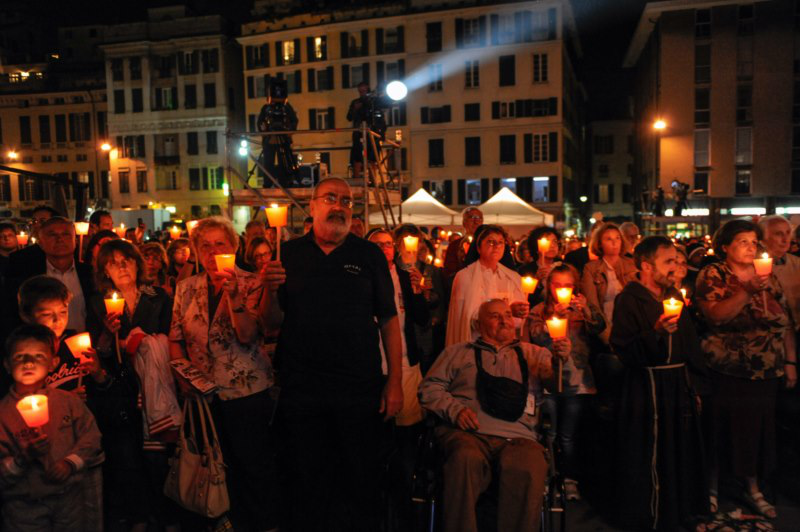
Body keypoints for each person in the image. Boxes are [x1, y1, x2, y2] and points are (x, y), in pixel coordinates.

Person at [260, 177, 402, 532]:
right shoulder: (288, 254)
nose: (339, 206)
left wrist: (395, 382)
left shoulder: (368, 255)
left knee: (358, 480)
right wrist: (268, 289)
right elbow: (271, 324)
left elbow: (388, 320)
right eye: (331, 198)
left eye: (347, 201)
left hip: (358, 388)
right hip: (303, 390)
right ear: (313, 206)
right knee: (307, 481)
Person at [419, 299, 572, 532]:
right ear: (479, 325)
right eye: (495, 316)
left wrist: (560, 359)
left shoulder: (534, 354)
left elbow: (556, 382)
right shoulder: (458, 353)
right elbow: (429, 389)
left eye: (508, 315)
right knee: (464, 458)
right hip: (468, 434)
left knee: (528, 465)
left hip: (519, 438)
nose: (504, 320)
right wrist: (455, 410)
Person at [170, 216, 278, 531]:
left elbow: (247, 336)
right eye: (205, 245)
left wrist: (233, 296)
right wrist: (183, 378)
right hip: (202, 396)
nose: (212, 251)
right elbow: (175, 339)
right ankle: (222, 521)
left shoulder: (252, 283)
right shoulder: (185, 287)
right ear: (196, 250)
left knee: (252, 465)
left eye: (220, 244)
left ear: (232, 248)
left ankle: (262, 523)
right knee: (216, 466)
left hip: (245, 393)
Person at [695, 220, 796, 519]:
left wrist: (790, 362)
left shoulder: (767, 276)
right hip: (728, 368)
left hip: (765, 370)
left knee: (756, 431)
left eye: (754, 242)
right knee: (722, 429)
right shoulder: (714, 274)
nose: (751, 247)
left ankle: (752, 487)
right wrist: (746, 292)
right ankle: (711, 488)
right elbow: (715, 315)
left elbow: (785, 321)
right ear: (725, 246)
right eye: (742, 241)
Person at [609, 236, 708, 531]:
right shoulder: (629, 299)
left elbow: (689, 343)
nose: (676, 267)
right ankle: (652, 517)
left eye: (677, 261)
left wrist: (696, 385)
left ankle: (680, 512)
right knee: (652, 454)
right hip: (647, 389)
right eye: (669, 262)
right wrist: (654, 333)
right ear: (646, 266)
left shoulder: (673, 295)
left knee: (679, 450)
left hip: (678, 385)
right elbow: (624, 349)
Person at [88, 239, 179, 531]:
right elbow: (97, 350)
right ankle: (139, 514)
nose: (122, 267)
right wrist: (109, 334)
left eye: (126, 260)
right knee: (126, 455)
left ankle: (165, 513)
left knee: (158, 456)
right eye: (113, 263)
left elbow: (168, 338)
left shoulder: (159, 297)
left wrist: (142, 344)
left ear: (137, 263)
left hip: (154, 387)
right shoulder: (97, 302)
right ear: (105, 271)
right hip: (120, 388)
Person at [17, 275, 108, 531]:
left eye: (63, 311)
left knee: (87, 516)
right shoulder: (22, 352)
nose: (58, 321)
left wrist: (98, 375)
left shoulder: (74, 344)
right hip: (45, 455)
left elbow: (103, 392)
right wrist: (64, 399)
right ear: (27, 315)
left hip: (81, 449)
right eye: (47, 314)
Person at [0, 324, 104, 532]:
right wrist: (22, 458)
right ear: (7, 364)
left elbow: (91, 436)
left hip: (68, 499)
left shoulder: (67, 402)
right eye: (20, 357)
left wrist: (70, 463)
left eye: (38, 356)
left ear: (53, 363)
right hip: (25, 506)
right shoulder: (4, 413)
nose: (29, 362)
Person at [524, 263, 605, 501]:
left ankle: (569, 479)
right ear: (549, 286)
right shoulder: (539, 310)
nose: (562, 290)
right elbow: (536, 335)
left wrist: (587, 311)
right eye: (557, 285)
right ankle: (548, 476)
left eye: (567, 286)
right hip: (547, 379)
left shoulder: (581, 309)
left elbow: (600, 327)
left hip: (577, 380)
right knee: (548, 433)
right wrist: (555, 317)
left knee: (569, 436)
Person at [366, 228, 430, 529]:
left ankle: (404, 504)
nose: (384, 249)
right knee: (377, 439)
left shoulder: (406, 278)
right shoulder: (360, 277)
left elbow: (422, 320)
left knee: (406, 438)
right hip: (370, 368)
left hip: (405, 365)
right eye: (376, 245)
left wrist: (419, 292)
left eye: (388, 245)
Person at [4, 217, 94, 335]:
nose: (59, 239)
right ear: (40, 243)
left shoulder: (90, 274)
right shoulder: (28, 276)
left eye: (66, 234)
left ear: (75, 241)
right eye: (52, 235)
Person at [446, 225, 528, 346]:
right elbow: (466, 319)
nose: (496, 246)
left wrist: (520, 312)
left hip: (505, 347)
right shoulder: (464, 277)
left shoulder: (513, 278)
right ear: (478, 248)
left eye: (500, 242)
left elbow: (519, 322)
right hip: (476, 346)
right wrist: (508, 311)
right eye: (490, 242)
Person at [759, 215, 800, 328]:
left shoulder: (797, 263)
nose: (785, 239)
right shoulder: (754, 266)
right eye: (778, 234)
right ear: (762, 239)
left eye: (788, 233)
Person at [257, 77, 299, 187]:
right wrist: (264, 128)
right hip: (270, 139)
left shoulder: (286, 107)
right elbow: (259, 123)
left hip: (283, 138)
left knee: (283, 162)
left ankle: (283, 183)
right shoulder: (266, 108)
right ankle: (268, 183)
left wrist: (290, 130)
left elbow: (294, 120)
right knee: (268, 163)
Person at [347, 81, 379, 180]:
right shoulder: (355, 102)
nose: (362, 94)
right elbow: (349, 117)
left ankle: (373, 181)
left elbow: (377, 116)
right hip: (358, 132)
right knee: (357, 157)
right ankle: (356, 179)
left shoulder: (373, 102)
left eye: (364, 91)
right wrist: (355, 109)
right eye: (360, 92)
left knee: (372, 158)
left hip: (370, 132)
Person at [443, 207, 483, 279]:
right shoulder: (455, 245)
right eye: (472, 217)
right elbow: (449, 272)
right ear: (464, 222)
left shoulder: (487, 244)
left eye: (479, 218)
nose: (476, 221)